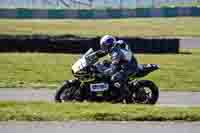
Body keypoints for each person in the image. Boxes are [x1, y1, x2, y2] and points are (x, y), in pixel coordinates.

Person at [95, 35, 138, 102]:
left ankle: (124, 93)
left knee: (114, 77)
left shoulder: (116, 51)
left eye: (104, 45)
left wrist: (105, 71)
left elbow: (115, 63)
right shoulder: (113, 47)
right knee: (104, 63)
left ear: (109, 44)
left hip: (129, 66)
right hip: (122, 63)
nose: (103, 47)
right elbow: (102, 52)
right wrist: (92, 55)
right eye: (102, 45)